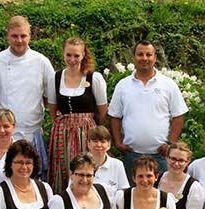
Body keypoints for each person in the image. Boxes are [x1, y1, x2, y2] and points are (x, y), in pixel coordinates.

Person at [0, 15, 54, 180]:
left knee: (32, 179)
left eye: (23, 36)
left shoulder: (42, 62)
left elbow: (48, 97)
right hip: (4, 133)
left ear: (30, 35)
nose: (19, 40)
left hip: (32, 132)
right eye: (15, 36)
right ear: (7, 35)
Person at [109, 40, 188, 178]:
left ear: (155, 58)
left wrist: (171, 144)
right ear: (134, 57)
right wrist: (118, 143)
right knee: (132, 195)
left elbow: (179, 116)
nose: (144, 58)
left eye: (148, 54)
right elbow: (115, 116)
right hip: (132, 155)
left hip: (161, 155)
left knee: (161, 195)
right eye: (140, 54)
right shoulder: (123, 85)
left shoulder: (168, 84)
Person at [47, 37, 108, 192]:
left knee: (86, 166)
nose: (72, 59)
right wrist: (64, 124)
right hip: (62, 132)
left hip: (86, 131)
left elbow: (102, 111)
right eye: (69, 55)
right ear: (63, 54)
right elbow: (53, 109)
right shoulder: (55, 77)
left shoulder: (94, 78)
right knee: (63, 169)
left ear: (83, 55)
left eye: (76, 56)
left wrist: (88, 125)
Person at [86, 125, 129, 198]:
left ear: (109, 145)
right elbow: (73, 190)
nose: (99, 145)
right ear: (88, 144)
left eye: (103, 142)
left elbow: (123, 191)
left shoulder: (118, 165)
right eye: (95, 141)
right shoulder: (80, 164)